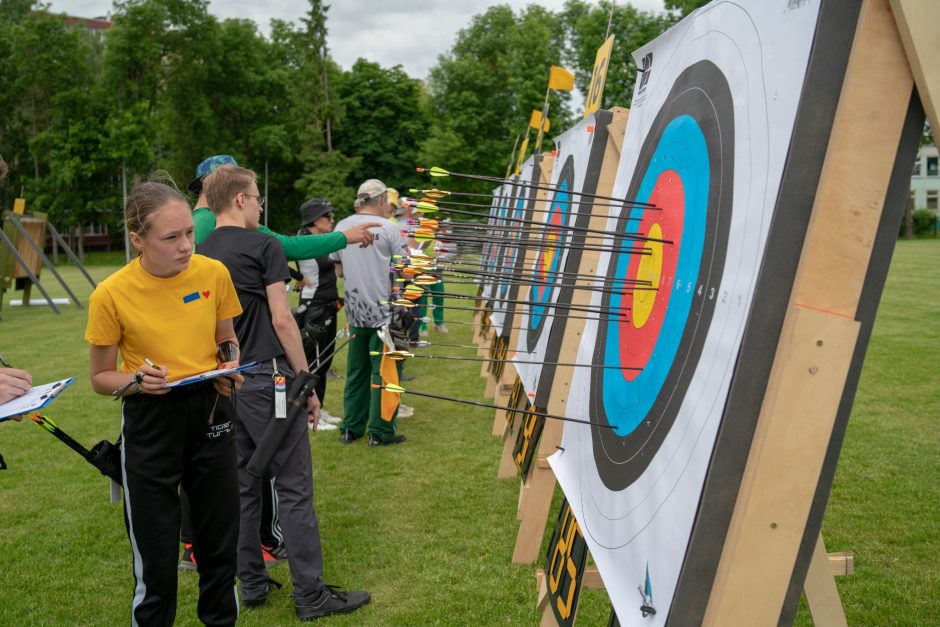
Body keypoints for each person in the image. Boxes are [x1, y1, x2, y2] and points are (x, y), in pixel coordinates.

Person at [179, 154, 380, 569]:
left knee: (243, 485)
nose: (261, 207)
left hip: (224, 379)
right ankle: (311, 593)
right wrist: (305, 379)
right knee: (292, 484)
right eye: (256, 199)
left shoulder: (196, 248)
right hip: (265, 377)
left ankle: (250, 584)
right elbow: (282, 318)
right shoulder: (262, 243)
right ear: (237, 199)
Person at [85, 180, 244, 626]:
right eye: (171, 238)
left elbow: (226, 339)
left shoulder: (213, 273)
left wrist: (230, 365)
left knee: (218, 549)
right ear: (138, 239)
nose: (186, 246)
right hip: (151, 420)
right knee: (156, 563)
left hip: (211, 409)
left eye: (189, 233)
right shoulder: (111, 294)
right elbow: (101, 378)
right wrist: (136, 380)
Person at [332, 179, 407, 446]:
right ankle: (381, 432)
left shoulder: (342, 226)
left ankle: (351, 428)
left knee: (357, 370)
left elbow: (339, 269)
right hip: (385, 313)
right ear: (382, 201)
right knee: (384, 372)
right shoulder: (390, 228)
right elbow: (404, 269)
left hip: (355, 312)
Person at [295, 199, 342, 427]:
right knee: (313, 363)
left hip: (329, 305)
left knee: (325, 361)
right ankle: (307, 413)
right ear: (315, 220)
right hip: (314, 308)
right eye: (328, 216)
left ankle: (318, 409)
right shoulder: (304, 241)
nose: (332, 220)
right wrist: (295, 278)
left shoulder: (320, 240)